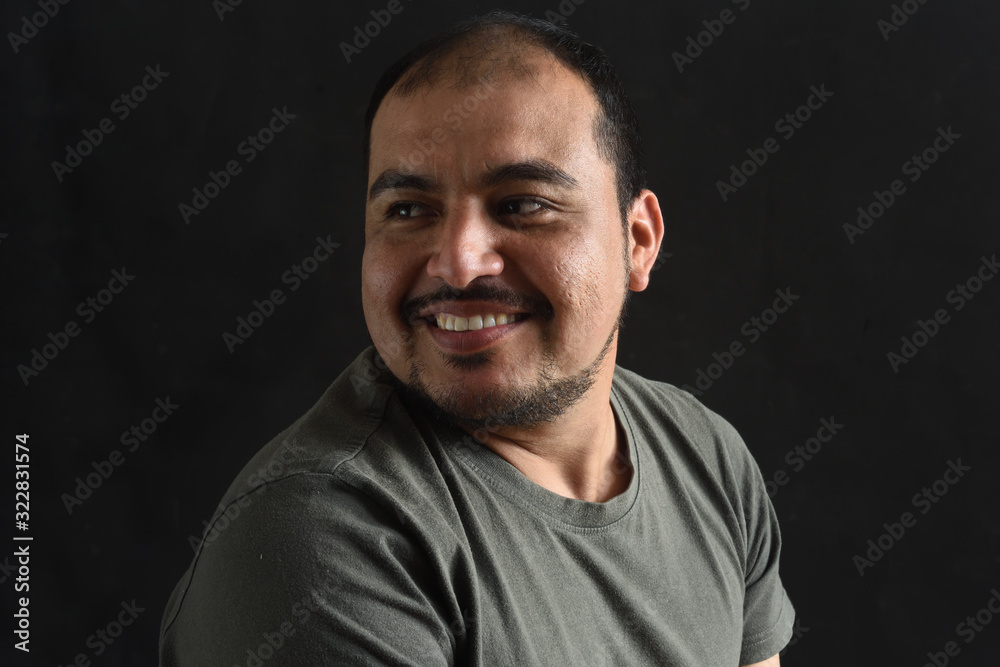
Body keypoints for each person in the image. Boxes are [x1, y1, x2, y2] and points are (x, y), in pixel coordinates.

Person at [159, 10, 795, 666]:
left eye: (522, 203)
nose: (457, 262)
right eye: (408, 211)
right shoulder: (321, 538)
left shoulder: (707, 457)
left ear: (638, 243)